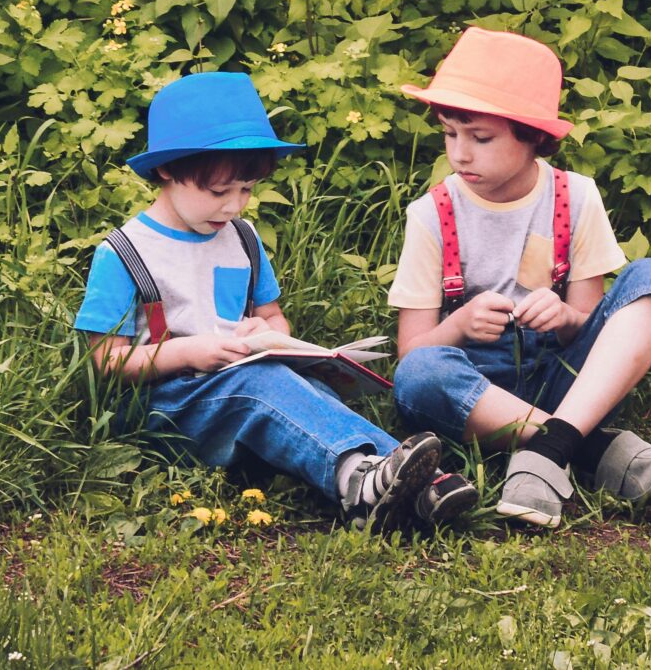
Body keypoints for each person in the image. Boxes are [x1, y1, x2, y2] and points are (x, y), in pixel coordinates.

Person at [76, 70, 475, 531]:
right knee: (262, 386)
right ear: (167, 170)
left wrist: (268, 334)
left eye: (245, 190)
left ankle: (409, 489)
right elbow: (103, 362)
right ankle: (363, 486)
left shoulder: (242, 239)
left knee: (310, 392)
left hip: (237, 393)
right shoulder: (125, 252)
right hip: (165, 409)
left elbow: (273, 317)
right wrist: (186, 351)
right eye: (218, 191)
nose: (233, 207)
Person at [387, 27, 651, 530]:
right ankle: (577, 445)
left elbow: (592, 331)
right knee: (420, 377)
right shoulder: (431, 213)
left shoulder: (576, 196)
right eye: (449, 133)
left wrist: (566, 317)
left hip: (564, 379)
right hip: (477, 392)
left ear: (533, 138)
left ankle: (555, 440)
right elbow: (412, 353)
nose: (460, 154)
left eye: (480, 138)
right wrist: (460, 324)